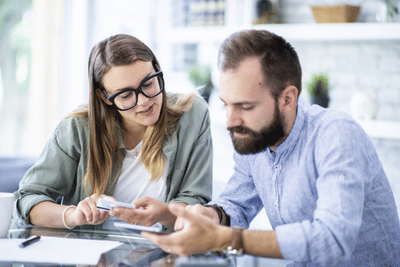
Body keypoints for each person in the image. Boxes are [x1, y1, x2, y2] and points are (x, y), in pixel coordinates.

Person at [143, 29, 400, 266]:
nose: (231, 121)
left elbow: (332, 239)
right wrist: (208, 217)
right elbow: (236, 204)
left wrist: (227, 238)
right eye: (226, 105)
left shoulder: (336, 134)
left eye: (245, 107)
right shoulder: (255, 138)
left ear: (288, 99)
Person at [14, 34, 213, 230]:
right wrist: (73, 215)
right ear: (105, 97)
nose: (144, 101)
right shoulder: (77, 129)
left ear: (157, 70)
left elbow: (196, 200)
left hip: (163, 252)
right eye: (126, 95)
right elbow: (27, 199)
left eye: (148, 83)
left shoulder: (192, 114)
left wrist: (166, 214)